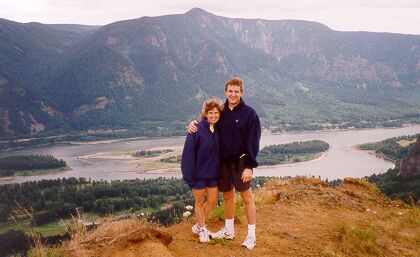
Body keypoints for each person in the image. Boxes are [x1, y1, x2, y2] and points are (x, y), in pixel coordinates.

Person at [188, 77, 261, 250]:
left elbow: (254, 141)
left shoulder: (250, 114)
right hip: (223, 163)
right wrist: (193, 124)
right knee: (227, 195)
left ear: (241, 92)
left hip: (242, 162)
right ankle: (229, 230)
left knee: (247, 197)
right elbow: (208, 120)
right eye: (230, 91)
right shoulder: (222, 112)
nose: (233, 94)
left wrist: (250, 166)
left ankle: (252, 236)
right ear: (225, 92)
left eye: (236, 91)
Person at [181, 98, 224, 243]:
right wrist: (189, 176)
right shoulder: (196, 129)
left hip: (213, 174)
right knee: (199, 202)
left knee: (212, 201)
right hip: (198, 175)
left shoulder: (220, 129)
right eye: (210, 113)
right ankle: (203, 229)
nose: (213, 115)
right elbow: (188, 154)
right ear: (205, 114)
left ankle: (199, 225)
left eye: (216, 113)